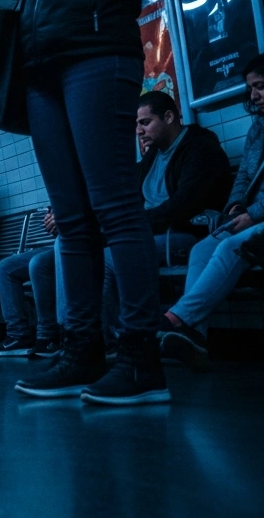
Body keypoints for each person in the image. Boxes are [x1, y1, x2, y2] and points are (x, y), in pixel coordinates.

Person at [0, 0, 169, 405]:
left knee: (115, 205)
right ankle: (82, 348)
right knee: (71, 217)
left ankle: (142, 356)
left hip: (98, 52)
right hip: (43, 63)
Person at [160, 52, 264, 369]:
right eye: (251, 88)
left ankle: (173, 320)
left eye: (261, 86)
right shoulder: (259, 128)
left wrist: (254, 214)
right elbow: (244, 176)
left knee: (230, 247)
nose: (254, 96)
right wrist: (235, 205)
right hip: (251, 216)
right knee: (200, 249)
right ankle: (195, 339)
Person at [98, 91, 231, 343]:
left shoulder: (199, 149)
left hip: (184, 234)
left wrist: (132, 226)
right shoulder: (152, 155)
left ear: (169, 117)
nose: (138, 131)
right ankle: (112, 334)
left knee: (107, 259)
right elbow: (127, 192)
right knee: (99, 252)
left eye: (145, 122)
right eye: (136, 124)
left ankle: (117, 339)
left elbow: (183, 206)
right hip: (153, 232)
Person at [0, 210, 60, 357]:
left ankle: (48, 334)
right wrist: (52, 217)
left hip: (82, 239)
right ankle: (18, 336)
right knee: (5, 267)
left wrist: (65, 217)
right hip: (62, 240)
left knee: (38, 264)